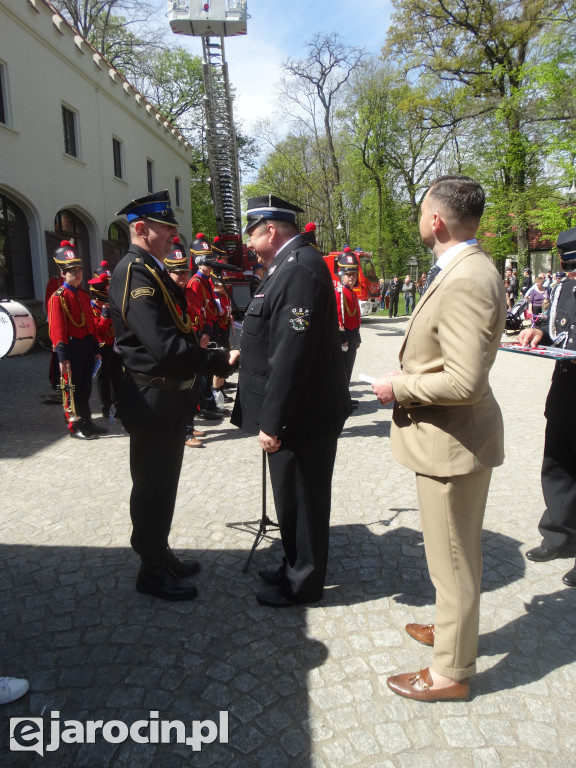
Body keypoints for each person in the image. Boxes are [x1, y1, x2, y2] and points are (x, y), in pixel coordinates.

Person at [372, 175, 505, 701]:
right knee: (452, 554)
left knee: (452, 561)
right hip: (450, 440)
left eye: (420, 212)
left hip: (453, 443)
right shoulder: (464, 268)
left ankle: (450, 671)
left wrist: (397, 385)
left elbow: (464, 382)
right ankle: (454, 632)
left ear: (436, 220)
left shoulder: (467, 276)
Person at [108, 191, 239, 601]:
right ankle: (150, 569)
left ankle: (160, 553)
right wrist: (216, 359)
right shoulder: (135, 272)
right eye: (166, 229)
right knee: (151, 486)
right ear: (141, 229)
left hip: (166, 399)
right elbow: (163, 347)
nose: (173, 236)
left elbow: (176, 328)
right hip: (151, 400)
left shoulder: (152, 268)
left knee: (163, 484)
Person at [231, 194, 352, 607]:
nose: (247, 241)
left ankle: (303, 583)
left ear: (270, 229)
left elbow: (291, 353)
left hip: (302, 415)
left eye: (251, 232)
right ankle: (293, 562)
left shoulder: (298, 267)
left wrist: (273, 421)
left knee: (302, 498)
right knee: (291, 498)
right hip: (297, 412)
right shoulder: (287, 264)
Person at [520, 227, 576, 587]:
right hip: (566, 385)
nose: (573, 275)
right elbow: (555, 325)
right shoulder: (561, 287)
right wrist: (539, 331)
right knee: (557, 460)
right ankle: (559, 533)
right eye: (570, 267)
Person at [47, 242, 106, 439]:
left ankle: (87, 422)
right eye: (72, 271)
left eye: (79, 270)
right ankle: (74, 426)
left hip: (87, 346)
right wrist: (63, 358)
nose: (77, 274)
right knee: (71, 389)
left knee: (85, 389)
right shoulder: (58, 297)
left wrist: (96, 348)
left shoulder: (82, 295)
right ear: (63, 273)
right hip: (71, 348)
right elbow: (57, 328)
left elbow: (90, 325)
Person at [88, 271, 123, 420]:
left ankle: (119, 405)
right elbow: (99, 330)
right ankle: (105, 407)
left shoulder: (108, 306)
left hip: (114, 346)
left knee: (118, 377)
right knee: (104, 379)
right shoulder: (92, 310)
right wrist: (105, 314)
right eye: (103, 299)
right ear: (96, 298)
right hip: (102, 347)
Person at [335, 248, 361, 385]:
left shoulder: (353, 292)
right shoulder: (340, 292)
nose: (352, 277)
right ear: (342, 275)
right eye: (349, 274)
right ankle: (343, 401)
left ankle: (346, 398)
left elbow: (356, 317)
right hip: (345, 336)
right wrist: (343, 338)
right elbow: (339, 317)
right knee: (343, 368)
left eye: (354, 275)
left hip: (352, 334)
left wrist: (357, 337)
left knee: (349, 366)